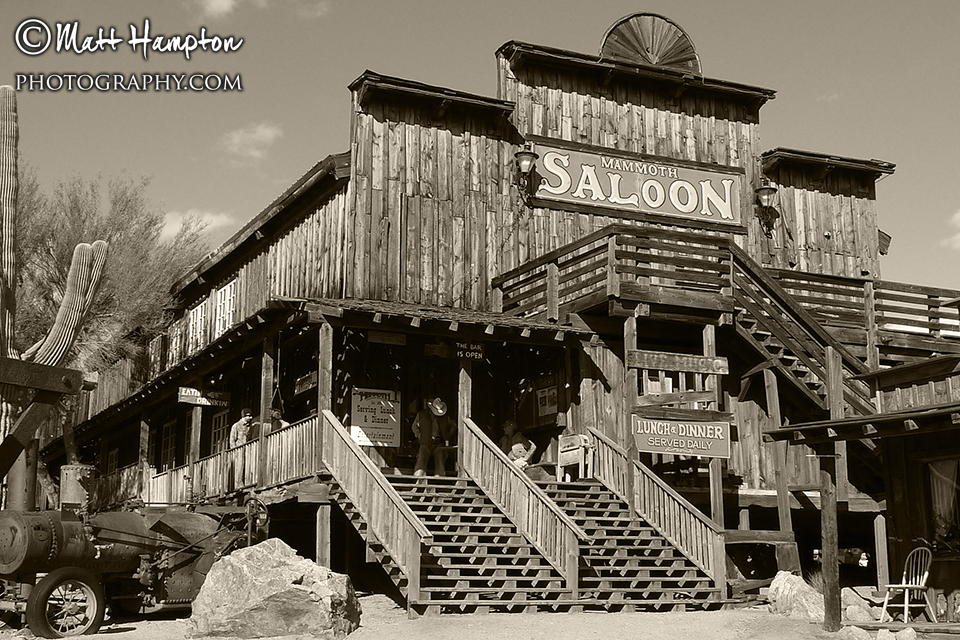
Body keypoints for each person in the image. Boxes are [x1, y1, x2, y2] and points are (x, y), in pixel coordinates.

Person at [411, 397, 456, 477]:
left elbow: (453, 425)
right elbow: (414, 427)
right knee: (421, 460)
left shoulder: (444, 417)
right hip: (425, 442)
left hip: (438, 443)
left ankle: (439, 481)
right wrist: (419, 435)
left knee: (440, 461)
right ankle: (419, 481)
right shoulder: (421, 415)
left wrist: (448, 435)